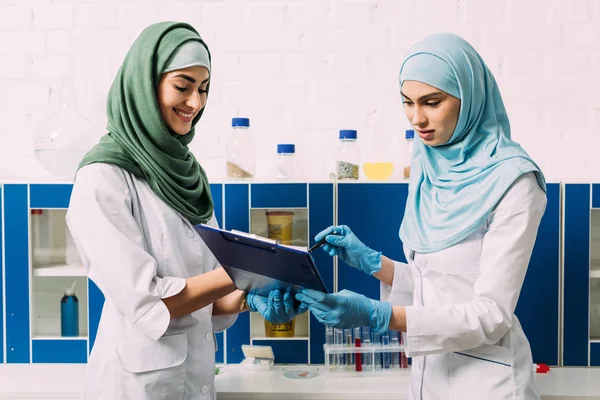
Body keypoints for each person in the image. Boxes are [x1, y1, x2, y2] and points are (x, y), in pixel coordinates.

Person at [297, 33, 547, 400]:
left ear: (469, 96)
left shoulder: (514, 181)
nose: (417, 118)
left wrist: (379, 315)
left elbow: (492, 315)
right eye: (407, 102)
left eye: (432, 102)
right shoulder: (429, 164)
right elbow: (437, 284)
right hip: (427, 381)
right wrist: (371, 262)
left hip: (488, 386)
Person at [66, 22, 305, 400]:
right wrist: (249, 267)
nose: (195, 102)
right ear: (145, 84)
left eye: (204, 89)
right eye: (183, 86)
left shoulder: (187, 173)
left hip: (194, 382)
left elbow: (205, 293)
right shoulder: (102, 178)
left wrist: (250, 297)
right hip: (135, 387)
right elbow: (150, 301)